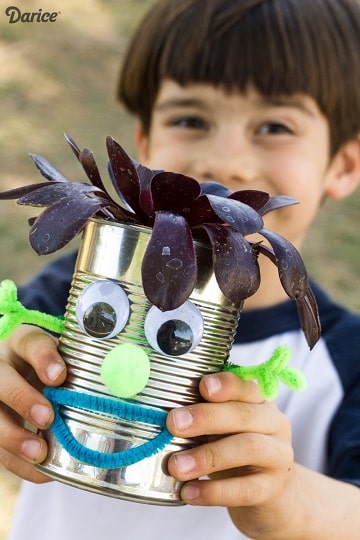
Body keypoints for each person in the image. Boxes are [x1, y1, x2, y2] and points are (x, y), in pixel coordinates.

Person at [1, 0, 360, 538]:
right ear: (144, 145)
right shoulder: (74, 297)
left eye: (275, 125)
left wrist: (289, 497)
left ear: (343, 165)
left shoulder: (344, 365)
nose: (224, 160)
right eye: (190, 119)